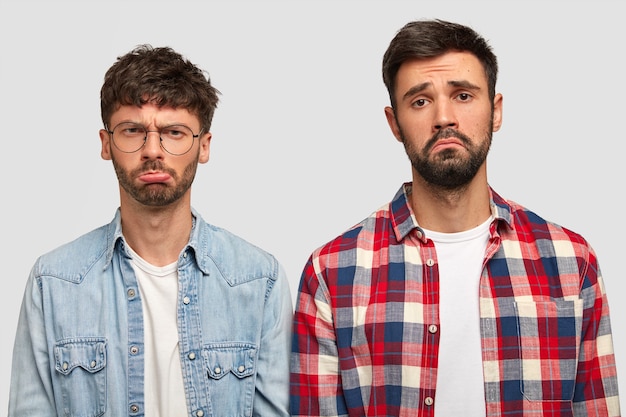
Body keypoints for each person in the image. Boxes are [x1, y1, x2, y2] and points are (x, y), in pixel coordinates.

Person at [289, 19, 620, 417]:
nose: (444, 117)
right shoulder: (331, 272)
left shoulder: (571, 262)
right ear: (394, 123)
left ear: (495, 111)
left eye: (463, 95)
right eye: (420, 101)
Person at [8, 45, 293, 417]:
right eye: (133, 130)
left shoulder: (258, 280)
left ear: (203, 146)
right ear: (106, 143)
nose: (153, 150)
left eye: (174, 132)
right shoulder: (54, 282)